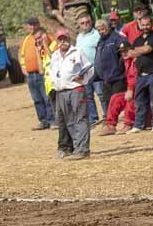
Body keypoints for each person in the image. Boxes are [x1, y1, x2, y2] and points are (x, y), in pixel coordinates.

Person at [49, 28, 93, 160]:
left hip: (75, 90)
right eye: (60, 39)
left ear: (69, 39)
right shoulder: (55, 55)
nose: (63, 41)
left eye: (65, 38)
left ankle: (83, 150)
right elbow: (52, 71)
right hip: (61, 91)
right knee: (69, 121)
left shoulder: (77, 52)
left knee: (80, 119)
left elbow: (89, 68)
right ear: (57, 41)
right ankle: (76, 147)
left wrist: (83, 79)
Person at [126, 15, 153, 133]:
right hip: (141, 75)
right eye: (143, 25)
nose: (145, 27)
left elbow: (148, 49)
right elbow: (130, 53)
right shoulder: (137, 40)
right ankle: (138, 125)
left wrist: (139, 50)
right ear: (139, 25)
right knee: (139, 101)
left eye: (147, 24)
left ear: (151, 24)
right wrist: (139, 50)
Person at [20, 17, 55, 129]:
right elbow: (21, 54)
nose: (32, 27)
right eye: (30, 25)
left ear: (39, 25)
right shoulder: (26, 40)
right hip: (30, 75)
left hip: (43, 73)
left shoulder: (46, 36)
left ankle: (52, 121)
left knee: (47, 98)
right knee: (37, 100)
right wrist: (23, 68)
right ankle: (43, 121)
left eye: (34, 24)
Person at [94, 19, 127, 136]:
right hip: (106, 78)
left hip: (118, 77)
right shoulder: (100, 41)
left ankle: (126, 124)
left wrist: (120, 69)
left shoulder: (117, 38)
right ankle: (110, 126)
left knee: (119, 103)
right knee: (108, 104)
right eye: (98, 30)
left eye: (102, 29)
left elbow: (125, 54)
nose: (101, 32)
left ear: (108, 27)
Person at [75, 13, 105, 125]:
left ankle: (107, 115)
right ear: (79, 25)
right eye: (82, 23)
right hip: (84, 71)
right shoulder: (79, 37)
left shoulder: (97, 34)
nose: (85, 25)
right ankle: (93, 118)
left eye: (87, 22)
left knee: (101, 94)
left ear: (91, 22)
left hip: (96, 69)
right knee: (88, 96)